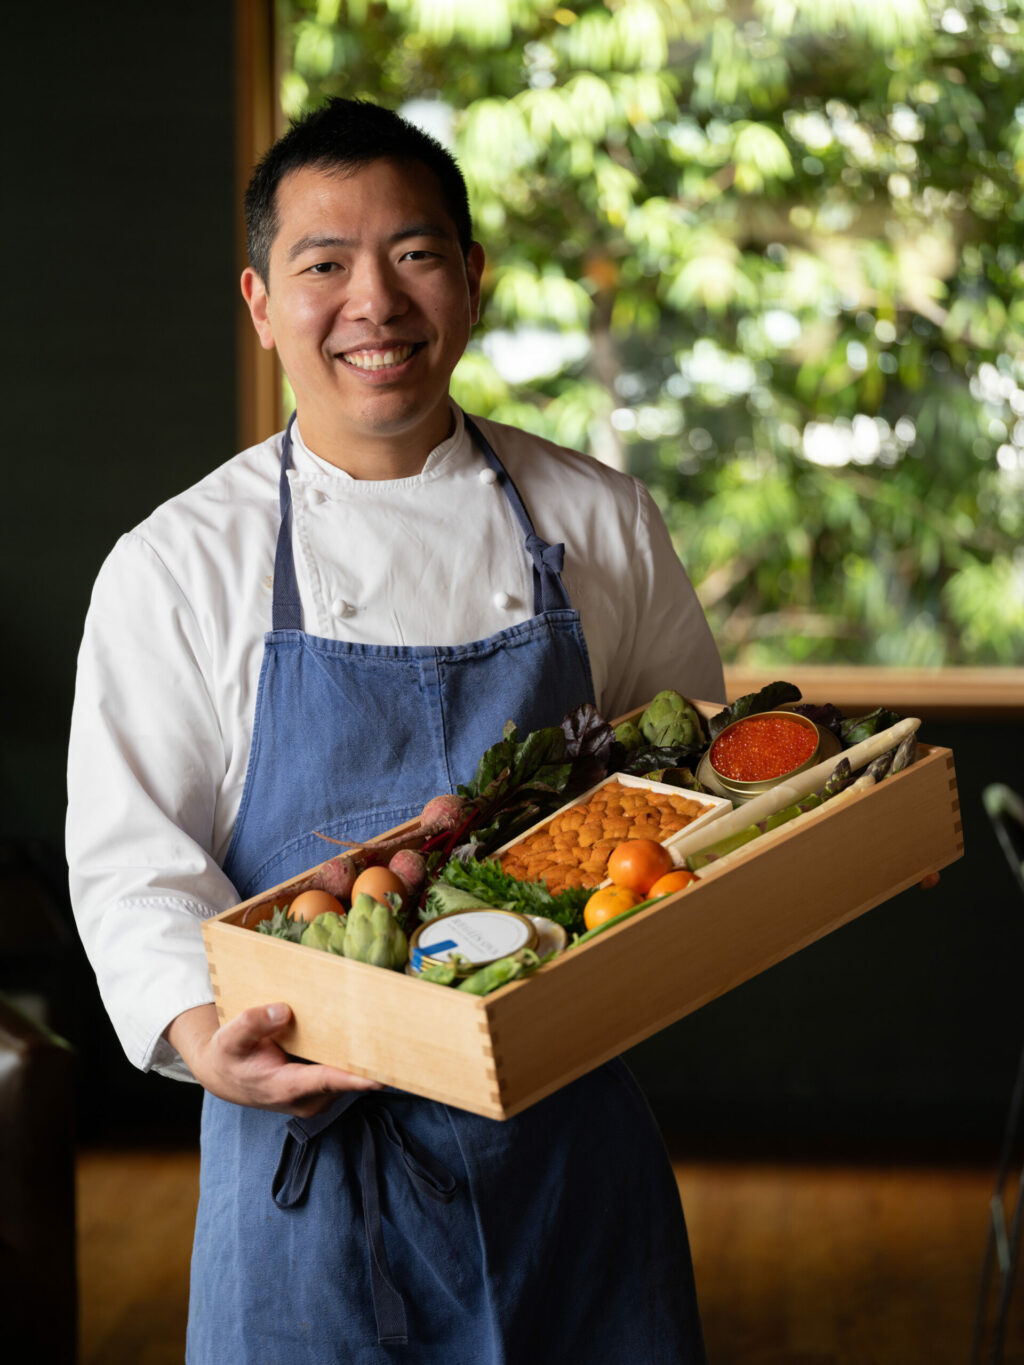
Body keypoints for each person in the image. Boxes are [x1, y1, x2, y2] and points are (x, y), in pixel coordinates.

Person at [67, 97, 724, 1363]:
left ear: (470, 281)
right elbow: (131, 866)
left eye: (415, 255)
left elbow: (680, 792)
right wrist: (213, 1044)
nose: (375, 302)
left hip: (563, 1144)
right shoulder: (175, 565)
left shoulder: (600, 520)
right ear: (261, 303)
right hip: (305, 1156)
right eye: (324, 265)